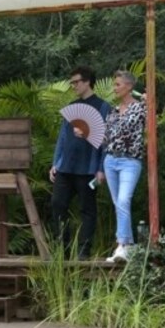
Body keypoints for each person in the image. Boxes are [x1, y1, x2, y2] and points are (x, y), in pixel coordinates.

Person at [49, 66, 111, 260]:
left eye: (76, 82)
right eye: (72, 82)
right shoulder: (72, 107)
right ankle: (62, 250)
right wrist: (55, 163)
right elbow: (62, 138)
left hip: (88, 169)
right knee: (57, 205)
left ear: (87, 82)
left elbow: (107, 140)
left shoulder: (103, 107)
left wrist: (101, 168)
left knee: (87, 210)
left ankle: (83, 252)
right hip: (66, 167)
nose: (73, 85)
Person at [103, 71, 146, 262]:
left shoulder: (140, 108)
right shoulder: (113, 111)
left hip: (130, 161)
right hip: (110, 160)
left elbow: (153, 118)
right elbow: (105, 138)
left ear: (129, 86)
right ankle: (126, 246)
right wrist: (85, 133)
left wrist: (148, 101)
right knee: (118, 204)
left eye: (118, 84)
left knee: (123, 200)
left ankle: (123, 244)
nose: (115, 88)